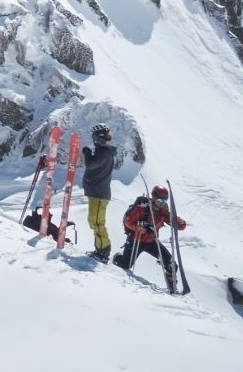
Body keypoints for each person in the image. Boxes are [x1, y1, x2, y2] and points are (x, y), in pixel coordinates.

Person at [114, 185, 187, 291]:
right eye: (160, 200)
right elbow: (128, 222)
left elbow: (180, 227)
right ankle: (117, 258)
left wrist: (181, 222)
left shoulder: (163, 211)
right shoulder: (142, 207)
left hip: (151, 242)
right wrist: (138, 228)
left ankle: (171, 284)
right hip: (136, 239)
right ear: (153, 197)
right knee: (125, 265)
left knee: (171, 264)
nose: (162, 203)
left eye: (164, 201)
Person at [79, 123, 117, 261]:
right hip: (97, 192)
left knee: (96, 222)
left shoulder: (103, 152)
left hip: (99, 193)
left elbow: (90, 165)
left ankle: (103, 252)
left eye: (95, 136)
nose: (94, 138)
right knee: (94, 221)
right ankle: (100, 249)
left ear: (100, 137)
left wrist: (87, 153)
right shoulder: (103, 151)